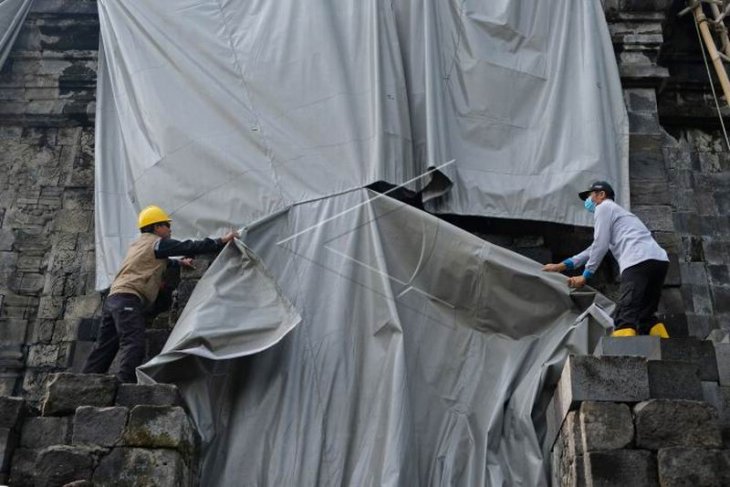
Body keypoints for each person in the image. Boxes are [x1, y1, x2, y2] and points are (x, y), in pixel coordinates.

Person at [83, 205, 239, 382]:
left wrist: (178, 264)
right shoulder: (157, 243)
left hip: (114, 299)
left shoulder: (139, 244)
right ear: (156, 227)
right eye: (167, 225)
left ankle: (84, 383)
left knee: (104, 347)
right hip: (128, 298)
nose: (170, 229)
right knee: (134, 342)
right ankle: (123, 385)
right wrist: (220, 241)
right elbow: (189, 246)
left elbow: (150, 263)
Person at [543, 181, 670, 338]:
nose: (588, 201)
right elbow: (592, 250)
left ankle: (622, 357)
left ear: (601, 194)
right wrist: (561, 266)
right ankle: (667, 350)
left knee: (625, 314)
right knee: (646, 315)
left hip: (637, 260)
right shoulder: (619, 217)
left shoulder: (604, 207)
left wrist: (585, 275)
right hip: (659, 261)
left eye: (590, 196)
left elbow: (600, 245)